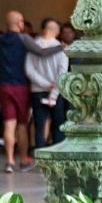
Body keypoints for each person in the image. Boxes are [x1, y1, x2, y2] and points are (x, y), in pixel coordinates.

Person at [0, 10, 64, 173]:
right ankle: (24, 160)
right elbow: (41, 52)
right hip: (21, 86)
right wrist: (60, 47)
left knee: (8, 124)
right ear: (19, 23)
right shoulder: (24, 39)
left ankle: (9, 161)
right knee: (22, 124)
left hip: (3, 85)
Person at [25, 17, 69, 150]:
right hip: (56, 92)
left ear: (43, 30)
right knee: (57, 125)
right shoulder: (61, 49)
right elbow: (62, 74)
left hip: (37, 90)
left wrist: (44, 84)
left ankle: (39, 152)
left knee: (39, 124)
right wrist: (54, 93)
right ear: (57, 32)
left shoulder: (33, 46)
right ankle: (57, 153)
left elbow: (29, 70)